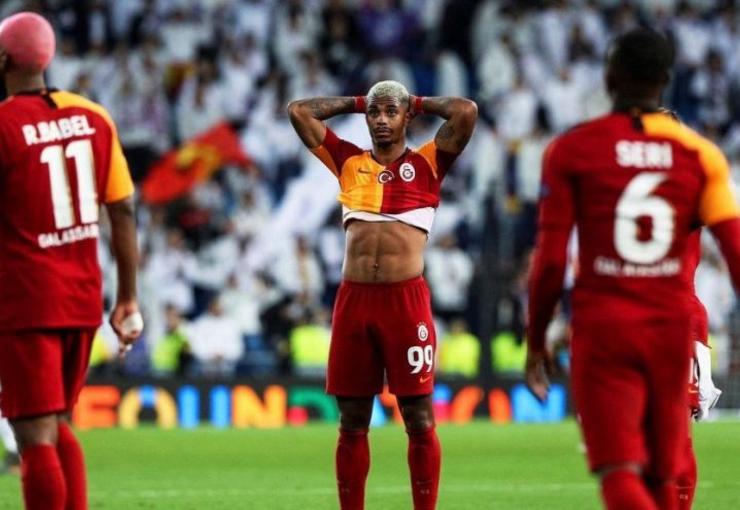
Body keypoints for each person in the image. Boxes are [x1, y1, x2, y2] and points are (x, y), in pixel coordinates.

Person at [525, 28, 740, 510]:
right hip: (673, 323)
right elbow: (735, 252)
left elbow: (551, 261)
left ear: (609, 78)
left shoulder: (574, 150)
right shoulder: (700, 158)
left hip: (605, 326)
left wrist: (537, 339)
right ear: (665, 80)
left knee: (622, 469)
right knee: (669, 460)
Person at [288, 81, 477, 510]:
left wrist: (416, 102)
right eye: (375, 113)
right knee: (352, 420)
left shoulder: (430, 162)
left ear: (406, 116)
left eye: (391, 112)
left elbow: (465, 110)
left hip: (405, 302)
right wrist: (359, 102)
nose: (381, 120)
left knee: (419, 418)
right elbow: (299, 110)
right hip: (354, 302)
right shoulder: (348, 161)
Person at [0, 12, 141, 510]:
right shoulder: (94, 117)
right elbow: (123, 209)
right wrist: (127, 298)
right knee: (57, 422)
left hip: (26, 301)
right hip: (82, 298)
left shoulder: (3, 125)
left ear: (3, 59)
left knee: (34, 434)